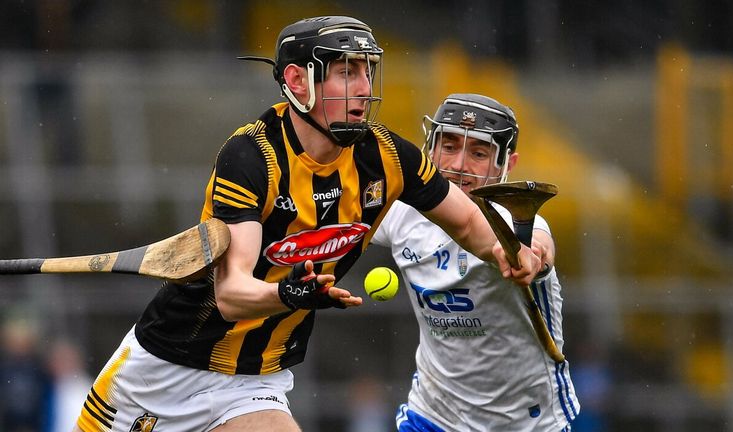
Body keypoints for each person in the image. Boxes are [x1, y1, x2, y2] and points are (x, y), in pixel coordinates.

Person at [74, 17, 540, 432]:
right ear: (298, 81)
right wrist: (289, 294)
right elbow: (231, 295)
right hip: (163, 371)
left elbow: (470, 224)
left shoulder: (388, 158)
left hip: (252, 384)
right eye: (346, 72)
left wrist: (506, 252)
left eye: (366, 70)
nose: (363, 86)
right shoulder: (252, 157)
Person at [372, 93, 580, 431]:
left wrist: (532, 257)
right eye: (449, 147)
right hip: (433, 414)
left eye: (478, 153)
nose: (458, 165)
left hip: (525, 422)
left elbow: (540, 246)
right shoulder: (402, 213)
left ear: (506, 165)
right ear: (430, 146)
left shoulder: (516, 222)